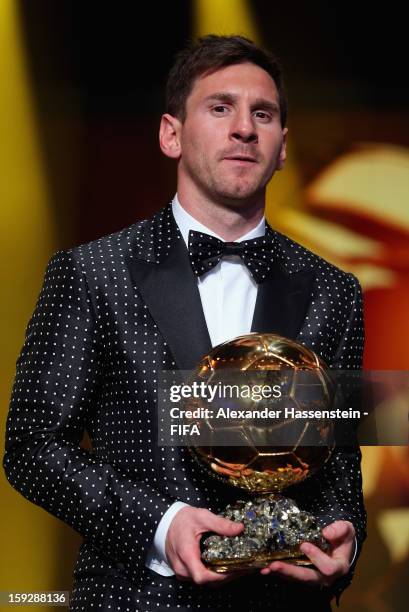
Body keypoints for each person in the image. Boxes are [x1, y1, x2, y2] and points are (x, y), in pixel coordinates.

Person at [3, 35, 366, 611]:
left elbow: (340, 466)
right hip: (137, 598)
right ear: (171, 134)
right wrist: (161, 525)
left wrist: (344, 541)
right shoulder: (92, 272)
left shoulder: (335, 292)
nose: (244, 128)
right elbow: (32, 448)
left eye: (262, 114)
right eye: (220, 108)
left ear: (283, 147)